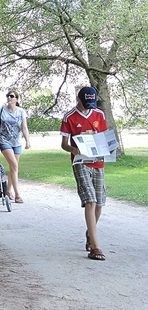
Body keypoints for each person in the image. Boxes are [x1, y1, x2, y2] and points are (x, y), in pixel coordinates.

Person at [60, 86, 109, 261]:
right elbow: (64, 144)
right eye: (86, 102)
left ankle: (91, 232)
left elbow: (103, 137)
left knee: (99, 202)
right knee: (90, 200)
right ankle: (95, 247)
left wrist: (109, 146)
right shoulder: (69, 117)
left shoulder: (99, 115)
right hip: (80, 161)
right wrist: (74, 149)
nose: (89, 106)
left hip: (98, 161)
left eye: (91, 103)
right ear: (78, 99)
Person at [0, 88, 31, 203]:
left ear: (16, 99)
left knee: (13, 167)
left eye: (12, 96)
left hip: (17, 142)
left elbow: (24, 127)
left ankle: (8, 191)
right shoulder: (1, 110)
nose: (9, 98)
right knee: (14, 165)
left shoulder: (21, 112)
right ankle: (18, 194)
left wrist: (27, 141)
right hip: (4, 140)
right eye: (8, 96)